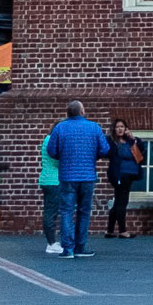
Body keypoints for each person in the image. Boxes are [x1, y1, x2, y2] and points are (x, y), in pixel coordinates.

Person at [46, 99, 110, 258]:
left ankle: (67, 249)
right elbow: (105, 149)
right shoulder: (94, 127)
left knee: (67, 211)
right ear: (82, 112)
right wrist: (92, 157)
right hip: (88, 175)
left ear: (68, 113)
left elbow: (51, 151)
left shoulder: (60, 128)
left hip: (67, 175)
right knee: (84, 211)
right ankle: (80, 247)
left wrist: (63, 156)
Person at [106, 119, 144, 237]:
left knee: (118, 202)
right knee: (122, 202)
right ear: (114, 129)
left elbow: (139, 155)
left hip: (130, 174)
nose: (120, 129)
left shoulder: (130, 142)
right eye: (117, 127)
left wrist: (133, 139)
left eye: (122, 126)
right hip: (120, 174)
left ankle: (110, 231)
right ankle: (123, 231)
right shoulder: (112, 142)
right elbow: (109, 153)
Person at [39, 126, 62, 254]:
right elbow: (58, 161)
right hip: (54, 181)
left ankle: (51, 241)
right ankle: (51, 243)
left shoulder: (47, 139)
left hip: (46, 179)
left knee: (49, 211)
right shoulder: (53, 142)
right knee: (51, 213)